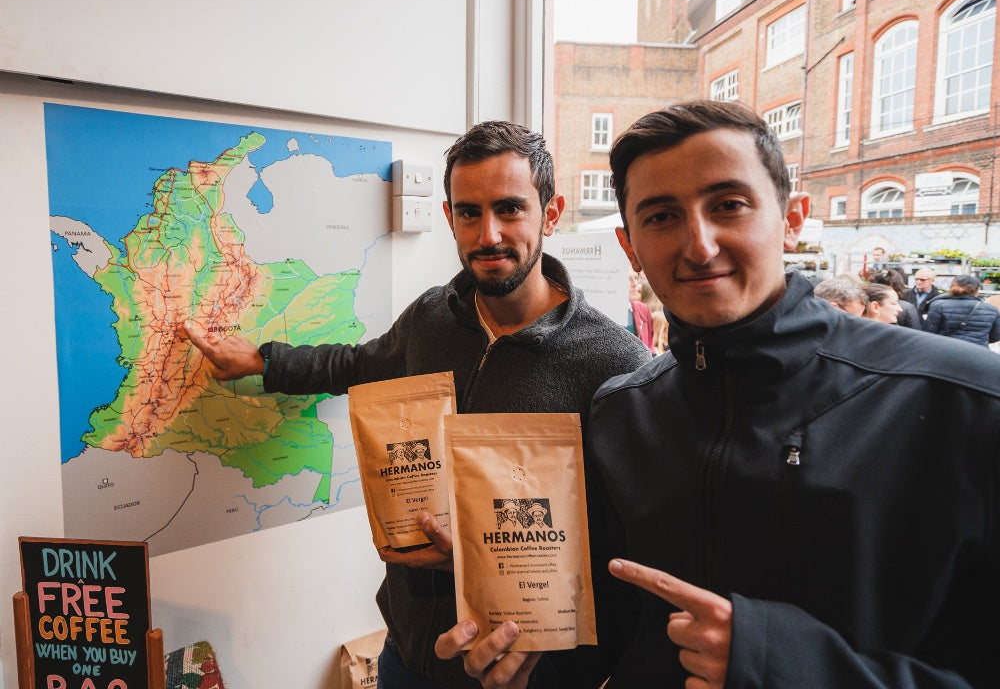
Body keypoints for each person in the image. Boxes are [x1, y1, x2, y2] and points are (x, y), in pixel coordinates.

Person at [436, 100, 1000, 688]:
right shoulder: (625, 412)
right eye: (661, 217)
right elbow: (611, 624)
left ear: (792, 217)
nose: (699, 245)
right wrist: (532, 658)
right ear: (630, 246)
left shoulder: (966, 403)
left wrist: (781, 664)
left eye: (728, 205)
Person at [179, 120, 650, 689]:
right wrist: (262, 360)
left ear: (550, 214)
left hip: (519, 669)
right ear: (449, 217)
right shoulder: (433, 316)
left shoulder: (615, 363)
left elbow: (627, 548)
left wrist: (485, 566)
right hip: (408, 650)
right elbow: (359, 365)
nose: (489, 235)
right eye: (470, 213)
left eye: (510, 209)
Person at [922, 274, 1000, 348]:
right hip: (978, 352)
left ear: (951, 287)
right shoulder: (991, 309)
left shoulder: (938, 305)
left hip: (946, 351)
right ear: (976, 290)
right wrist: (980, 339)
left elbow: (928, 333)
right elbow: (996, 336)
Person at [626, 271, 656, 354]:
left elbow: (650, 347)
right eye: (628, 279)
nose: (635, 284)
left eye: (636, 278)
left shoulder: (642, 309)